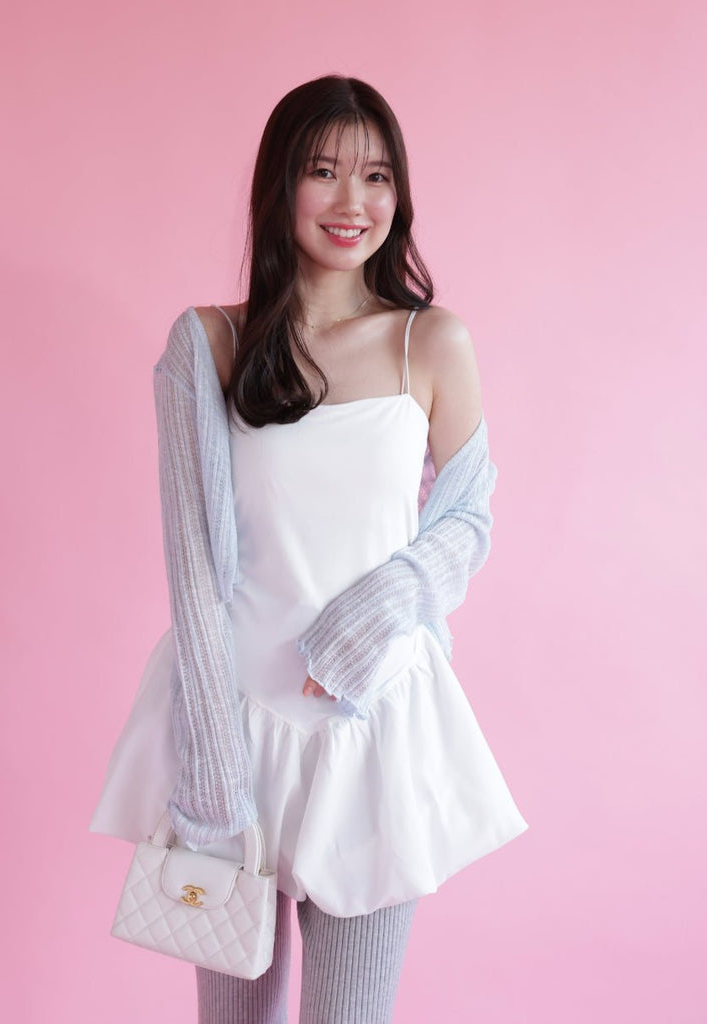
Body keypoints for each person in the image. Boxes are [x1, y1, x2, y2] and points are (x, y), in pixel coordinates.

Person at [90, 75, 529, 1023]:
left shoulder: (430, 342)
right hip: (230, 726)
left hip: (375, 725)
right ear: (280, 183)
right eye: (323, 171)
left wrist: (375, 612)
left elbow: (467, 521)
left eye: (376, 176)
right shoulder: (209, 343)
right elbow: (192, 565)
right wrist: (212, 765)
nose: (351, 201)